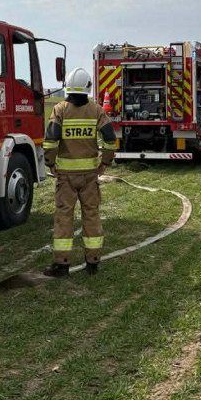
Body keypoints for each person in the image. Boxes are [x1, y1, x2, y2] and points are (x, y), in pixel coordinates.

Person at [42, 67, 116, 277]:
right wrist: (105, 162)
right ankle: (92, 262)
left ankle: (62, 264)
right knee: (91, 215)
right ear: (88, 88)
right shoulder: (96, 110)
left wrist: (50, 163)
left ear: (68, 87)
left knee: (63, 217)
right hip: (90, 175)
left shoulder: (60, 109)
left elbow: (51, 140)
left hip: (65, 176)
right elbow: (110, 139)